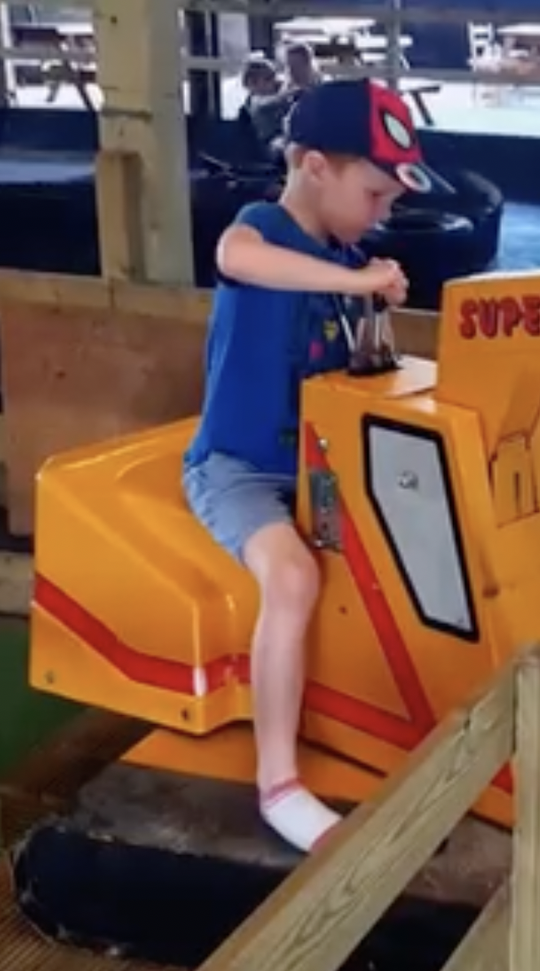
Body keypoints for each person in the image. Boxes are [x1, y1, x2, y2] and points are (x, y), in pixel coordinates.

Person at [181, 79, 445, 852]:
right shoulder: (259, 232)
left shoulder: (344, 257)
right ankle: (279, 784)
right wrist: (357, 281)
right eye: (374, 192)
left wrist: (373, 301)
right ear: (312, 165)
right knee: (294, 577)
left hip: (313, 467)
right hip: (237, 467)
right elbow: (237, 258)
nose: (382, 213)